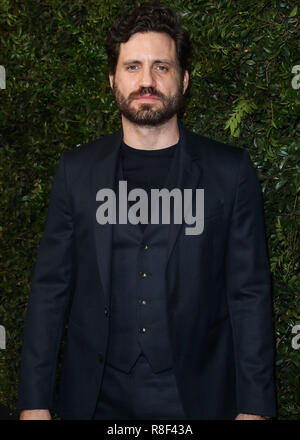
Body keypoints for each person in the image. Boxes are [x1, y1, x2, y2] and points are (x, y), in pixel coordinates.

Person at [18, 2, 276, 420]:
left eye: (161, 67)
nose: (147, 81)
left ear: (184, 79)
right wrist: (33, 403)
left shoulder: (230, 172)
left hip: (196, 400)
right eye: (133, 66)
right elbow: (50, 292)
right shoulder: (75, 171)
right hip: (95, 400)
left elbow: (248, 295)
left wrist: (255, 408)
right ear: (112, 80)